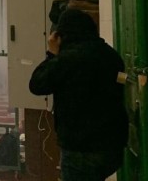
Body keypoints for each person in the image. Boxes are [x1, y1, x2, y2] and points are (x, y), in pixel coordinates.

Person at [29, 9, 128, 181]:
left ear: (62, 35)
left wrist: (51, 54)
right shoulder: (111, 55)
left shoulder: (67, 60)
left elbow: (37, 84)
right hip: (112, 147)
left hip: (81, 148)